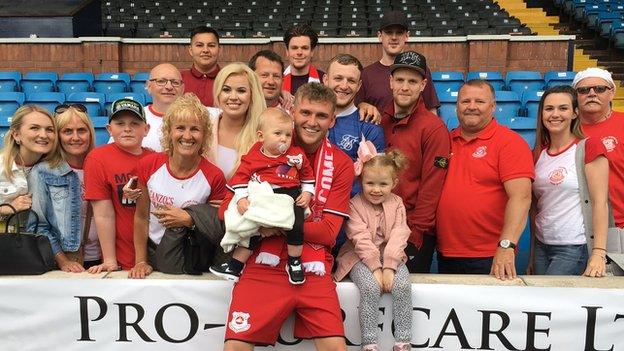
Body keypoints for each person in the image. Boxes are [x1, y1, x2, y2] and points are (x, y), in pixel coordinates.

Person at [222, 83, 353, 351]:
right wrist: (269, 223)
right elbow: (226, 207)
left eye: (321, 116)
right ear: (292, 112)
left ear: (333, 120)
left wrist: (269, 222)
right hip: (262, 262)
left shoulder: (340, 163)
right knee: (234, 348)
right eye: (305, 113)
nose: (312, 122)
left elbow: (328, 232)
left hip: (313, 265)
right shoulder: (265, 147)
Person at [436, 80, 534, 279]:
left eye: (479, 101)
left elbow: (521, 198)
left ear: (493, 106)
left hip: (490, 255)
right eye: (465, 101)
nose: (471, 106)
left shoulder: (510, 143)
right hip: (447, 252)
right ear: (456, 107)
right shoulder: (444, 141)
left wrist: (506, 246)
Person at [211, 108, 314, 284]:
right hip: (263, 194)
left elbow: (308, 176)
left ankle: (294, 262)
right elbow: (241, 178)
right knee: (249, 228)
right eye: (278, 133)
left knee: (296, 224)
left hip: (289, 195)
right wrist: (242, 198)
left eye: (288, 135)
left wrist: (307, 193)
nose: (284, 139)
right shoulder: (254, 155)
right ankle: (235, 266)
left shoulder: (296, 154)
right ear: (261, 136)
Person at [129, 93, 227, 279]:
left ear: (205, 134)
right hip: (152, 252)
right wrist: (141, 261)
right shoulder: (148, 166)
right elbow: (141, 217)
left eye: (195, 129)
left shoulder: (214, 176)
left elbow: (217, 227)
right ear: (168, 132)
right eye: (180, 128)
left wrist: (190, 219)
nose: (187, 136)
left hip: (189, 257)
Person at [334, 150, 412, 351]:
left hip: (391, 255)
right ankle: (369, 342)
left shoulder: (397, 203)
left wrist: (390, 266)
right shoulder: (353, 205)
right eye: (370, 184)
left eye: (383, 184)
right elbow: (359, 239)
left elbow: (399, 233)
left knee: (402, 286)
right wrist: (376, 269)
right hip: (359, 258)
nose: (376, 190)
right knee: (370, 288)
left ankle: (403, 340)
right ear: (361, 182)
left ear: (394, 184)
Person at [380, 51, 450, 273]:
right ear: (391, 82)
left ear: (423, 85)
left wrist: (415, 235)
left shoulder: (433, 128)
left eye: (413, 81)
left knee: (405, 297)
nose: (405, 87)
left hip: (412, 232)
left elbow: (432, 187)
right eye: (400, 80)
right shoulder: (378, 120)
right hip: (377, 228)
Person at [531, 85, 609, 277]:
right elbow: (535, 207)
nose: (555, 114)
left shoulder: (589, 147)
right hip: (542, 246)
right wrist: (533, 253)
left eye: (563, 108)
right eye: (549, 109)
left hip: (573, 247)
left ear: (575, 113)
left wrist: (599, 253)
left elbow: (600, 203)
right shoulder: (538, 154)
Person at [29, 104, 101, 272]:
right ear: (58, 136)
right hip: (67, 262)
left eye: (81, 130)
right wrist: (63, 261)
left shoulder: (102, 166)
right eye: (67, 131)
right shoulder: (43, 172)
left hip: (103, 260)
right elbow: (38, 225)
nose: (75, 137)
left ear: (90, 133)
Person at [84, 98, 154, 273]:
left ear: (146, 129)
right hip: (122, 257)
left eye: (135, 123)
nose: (127, 129)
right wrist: (109, 260)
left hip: (156, 254)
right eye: (120, 123)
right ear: (109, 129)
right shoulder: (98, 159)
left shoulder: (156, 159)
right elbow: (103, 214)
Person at [355, 10, 440, 120]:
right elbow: (356, 110)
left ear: (407, 36)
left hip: (413, 134)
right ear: (380, 36)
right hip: (377, 134)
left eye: (399, 33)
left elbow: (431, 111)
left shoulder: (420, 70)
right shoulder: (366, 74)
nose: (394, 37)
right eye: (389, 32)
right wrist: (362, 105)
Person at [572, 68, 624, 234]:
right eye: (583, 90)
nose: (592, 93)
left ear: (612, 93)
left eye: (600, 89)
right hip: (575, 231)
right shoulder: (564, 128)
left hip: (619, 225)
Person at [324, 53, 385, 182]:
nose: (344, 86)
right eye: (338, 78)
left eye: (351, 81)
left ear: (359, 85)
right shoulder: (310, 120)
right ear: (325, 79)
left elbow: (376, 182)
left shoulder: (369, 127)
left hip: (351, 200)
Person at [206, 62, 266, 179]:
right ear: (218, 93)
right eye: (226, 90)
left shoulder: (262, 136)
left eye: (241, 91)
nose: (233, 97)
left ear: (252, 95)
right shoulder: (203, 131)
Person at [110, 63, 185, 151]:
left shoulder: (197, 117)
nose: (169, 87)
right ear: (149, 86)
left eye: (175, 82)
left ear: (182, 88)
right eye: (161, 81)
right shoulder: (134, 115)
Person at [0, 105, 55, 220]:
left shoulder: (57, 170)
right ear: (16, 135)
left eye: (49, 129)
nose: (43, 135)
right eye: (34, 128)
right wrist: (5, 208)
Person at [181, 26, 221, 106]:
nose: (205, 50)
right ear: (191, 50)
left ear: (219, 50)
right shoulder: (178, 79)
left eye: (211, 45)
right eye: (199, 45)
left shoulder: (229, 78)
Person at [282, 24, 325, 95]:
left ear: (312, 51)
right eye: (294, 48)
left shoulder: (324, 81)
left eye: (304, 48)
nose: (299, 52)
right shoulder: (277, 82)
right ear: (287, 51)